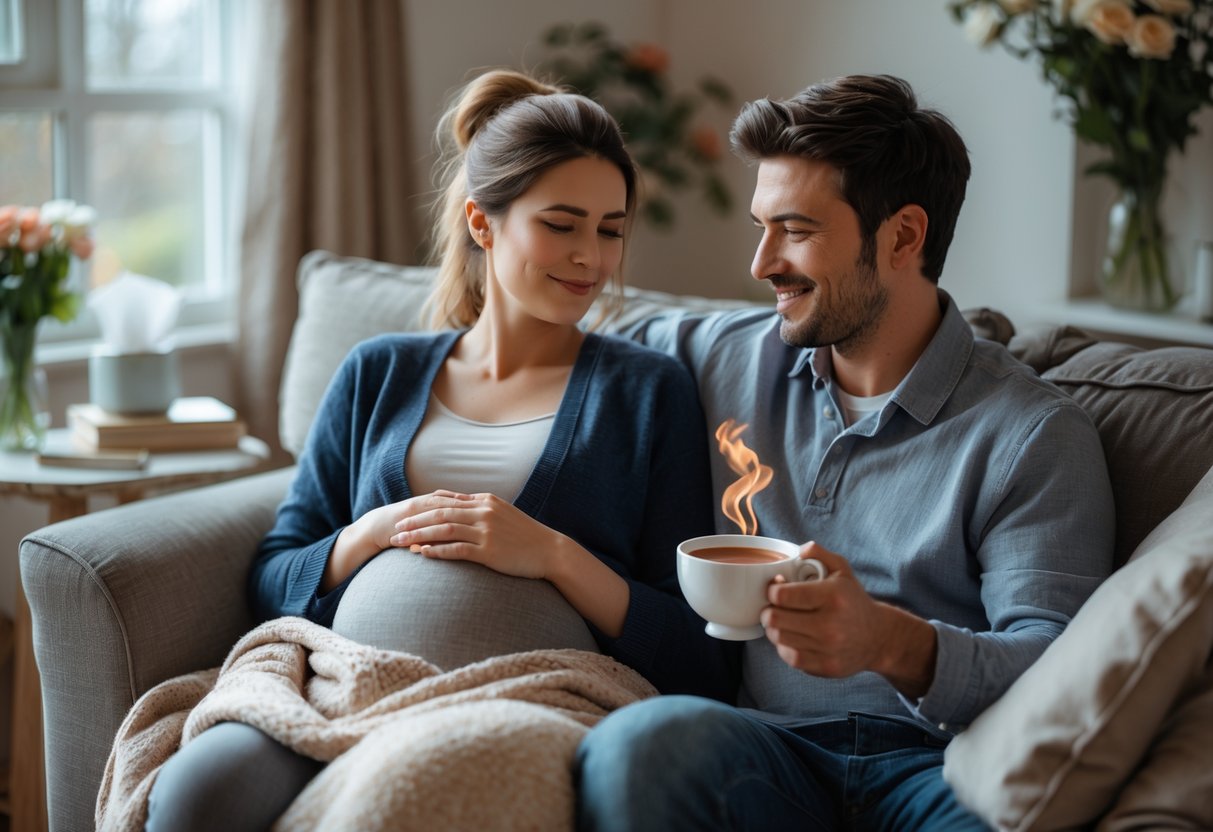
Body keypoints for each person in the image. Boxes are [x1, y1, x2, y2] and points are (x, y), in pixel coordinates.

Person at [142, 68, 737, 832]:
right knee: (195, 797)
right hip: (347, 684)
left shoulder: (647, 392)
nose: (590, 256)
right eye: (560, 224)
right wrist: (372, 532)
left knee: (405, 794)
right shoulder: (377, 371)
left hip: (529, 695)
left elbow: (696, 649)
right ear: (483, 224)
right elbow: (273, 577)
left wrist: (551, 554)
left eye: (610, 228)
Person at [574, 74, 1116, 831]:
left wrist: (887, 640)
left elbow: (1060, 667)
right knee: (637, 743)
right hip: (764, 749)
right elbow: (560, 342)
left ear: (901, 237)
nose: (761, 263)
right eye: (760, 227)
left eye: (794, 230)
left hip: (941, 766)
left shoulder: (1030, 433)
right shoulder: (722, 357)